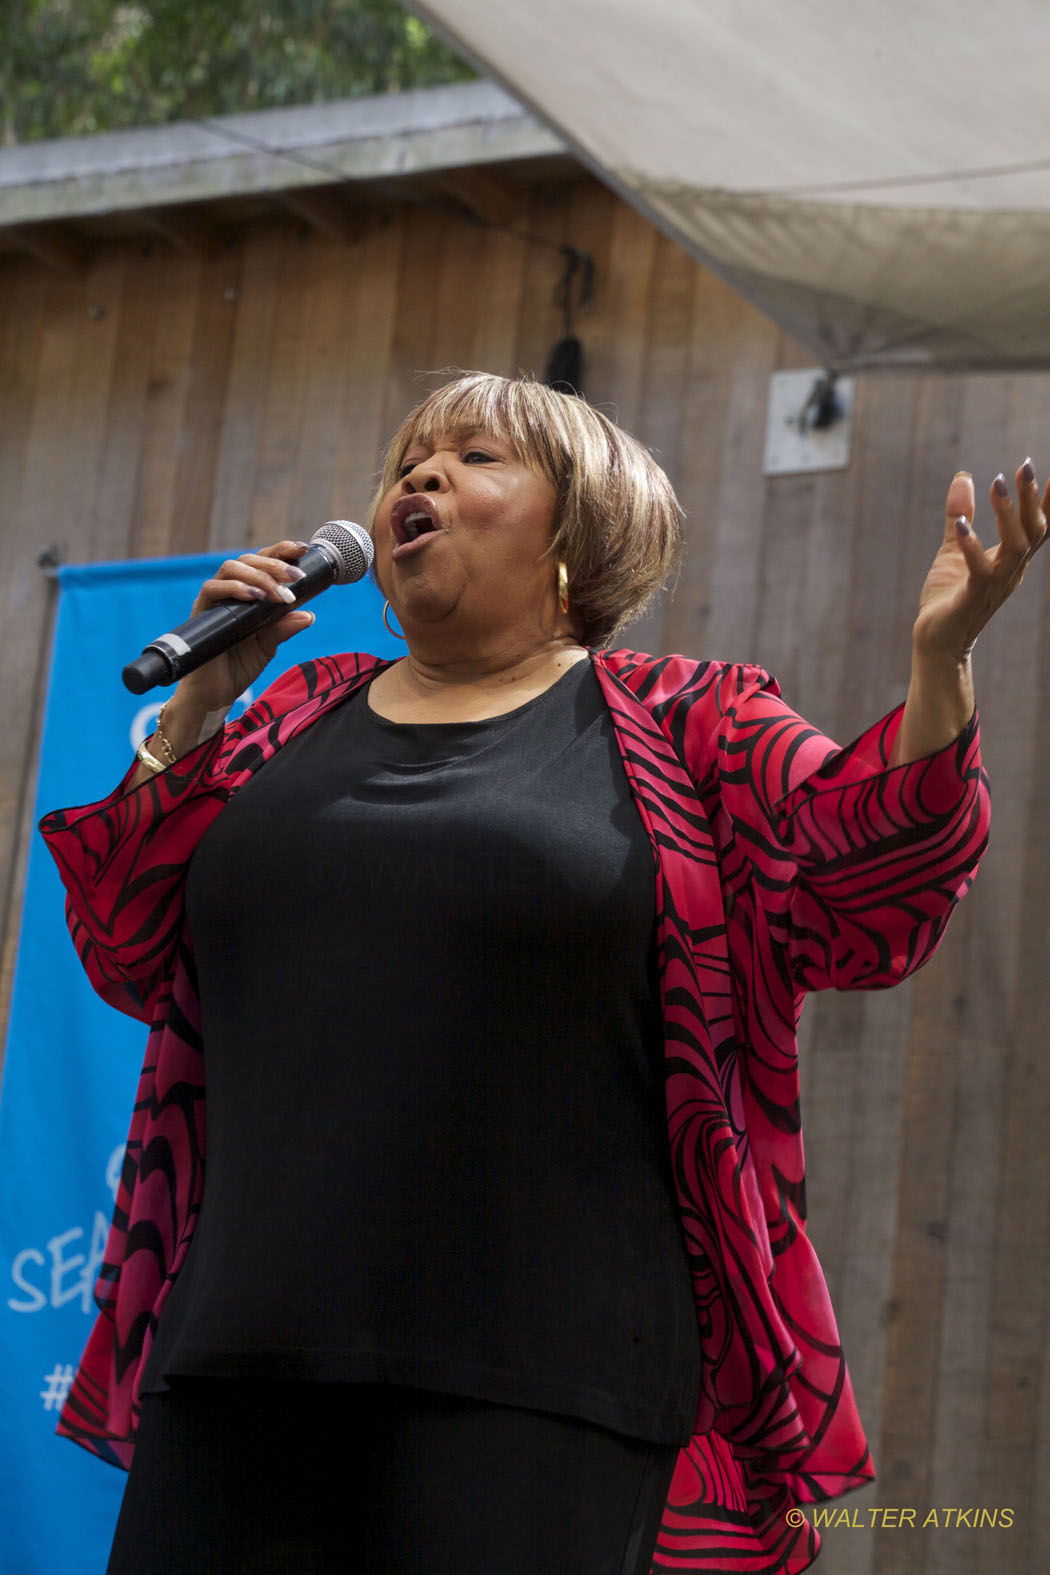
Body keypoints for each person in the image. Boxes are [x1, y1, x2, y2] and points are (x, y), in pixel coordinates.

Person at [41, 373, 1043, 1575]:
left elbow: (869, 887)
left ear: (579, 529)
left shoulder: (693, 723)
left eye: (475, 458)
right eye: (409, 457)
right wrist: (207, 694)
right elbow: (126, 939)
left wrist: (943, 667)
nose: (420, 477)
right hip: (241, 1353)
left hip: (551, 1377)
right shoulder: (293, 713)